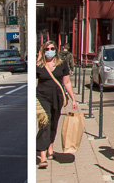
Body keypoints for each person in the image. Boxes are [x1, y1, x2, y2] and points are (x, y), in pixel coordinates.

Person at [35, 41, 75, 169]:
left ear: (56, 50)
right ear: (43, 50)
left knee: (53, 124)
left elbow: (67, 82)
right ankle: (42, 156)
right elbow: (34, 84)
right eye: (47, 49)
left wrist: (73, 99)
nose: (50, 51)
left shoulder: (61, 64)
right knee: (44, 123)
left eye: (52, 48)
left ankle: (50, 147)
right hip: (42, 97)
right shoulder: (38, 66)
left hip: (57, 97)